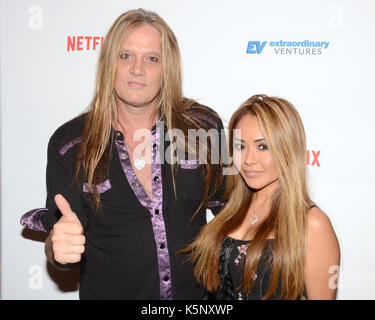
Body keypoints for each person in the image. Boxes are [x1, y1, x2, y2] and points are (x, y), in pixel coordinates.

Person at [20, 8, 226, 299]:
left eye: (151, 59)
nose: (137, 69)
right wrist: (57, 247)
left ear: (168, 68)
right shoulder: (70, 145)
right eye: (125, 55)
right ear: (108, 64)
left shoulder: (203, 127)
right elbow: (63, 239)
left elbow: (235, 212)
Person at [182, 95, 340, 300]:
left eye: (262, 147)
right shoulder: (230, 210)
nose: (248, 160)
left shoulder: (312, 224)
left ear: (288, 149)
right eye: (240, 146)